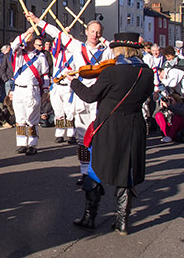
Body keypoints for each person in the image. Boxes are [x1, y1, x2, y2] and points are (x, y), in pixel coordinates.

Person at [66, 32, 154, 236]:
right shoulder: (147, 73)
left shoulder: (111, 72)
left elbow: (89, 96)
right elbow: (147, 95)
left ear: (118, 49)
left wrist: (73, 81)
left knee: (95, 170)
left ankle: (90, 218)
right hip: (134, 125)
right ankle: (122, 221)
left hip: (109, 126)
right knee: (127, 171)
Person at [27, 12, 113, 186]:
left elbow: (118, 52)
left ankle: (97, 170)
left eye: (98, 32)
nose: (95, 35)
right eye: (92, 31)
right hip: (81, 95)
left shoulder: (107, 52)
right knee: (82, 137)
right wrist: (37, 21)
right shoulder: (76, 46)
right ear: (86, 32)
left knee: (98, 135)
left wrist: (106, 42)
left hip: (99, 97)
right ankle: (84, 170)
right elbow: (56, 32)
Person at [10, 29, 49, 155]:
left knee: (32, 118)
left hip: (32, 89)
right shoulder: (18, 54)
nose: (28, 42)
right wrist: (26, 32)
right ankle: (21, 143)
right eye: (26, 40)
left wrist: (46, 90)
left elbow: (45, 74)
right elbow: (14, 44)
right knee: (20, 118)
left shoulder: (40, 56)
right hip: (18, 89)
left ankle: (32, 144)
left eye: (30, 40)